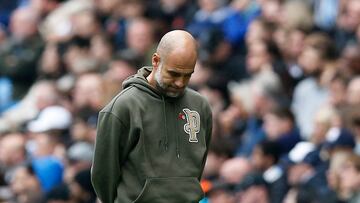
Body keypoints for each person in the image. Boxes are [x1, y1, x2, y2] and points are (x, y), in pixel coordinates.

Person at [91, 30, 213, 203]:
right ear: (156, 61)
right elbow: (103, 176)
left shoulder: (200, 106)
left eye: (187, 75)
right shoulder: (124, 106)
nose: (180, 82)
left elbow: (198, 166)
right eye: (174, 73)